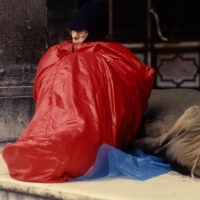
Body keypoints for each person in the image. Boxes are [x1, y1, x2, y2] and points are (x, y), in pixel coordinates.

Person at [2, 0, 155, 183]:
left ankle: (62, 143)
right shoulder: (63, 52)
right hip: (65, 118)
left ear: (94, 31)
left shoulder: (113, 58)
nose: (74, 35)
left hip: (93, 126)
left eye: (81, 31)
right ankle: (50, 139)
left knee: (75, 66)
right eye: (72, 30)